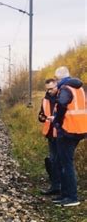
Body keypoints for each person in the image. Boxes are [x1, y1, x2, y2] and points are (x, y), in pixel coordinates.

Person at [49, 66, 87, 207]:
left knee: (66, 164)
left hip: (68, 130)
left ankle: (72, 197)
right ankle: (65, 195)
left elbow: (61, 106)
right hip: (79, 129)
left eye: (56, 78)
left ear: (59, 78)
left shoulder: (65, 89)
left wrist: (57, 121)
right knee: (63, 161)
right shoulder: (80, 88)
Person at [38, 78, 60, 195]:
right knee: (53, 160)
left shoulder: (62, 97)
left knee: (60, 161)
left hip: (61, 135)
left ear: (57, 86)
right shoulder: (45, 100)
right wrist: (44, 118)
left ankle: (61, 187)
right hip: (50, 134)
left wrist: (55, 118)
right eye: (48, 89)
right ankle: (55, 186)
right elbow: (41, 115)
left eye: (52, 88)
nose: (50, 91)